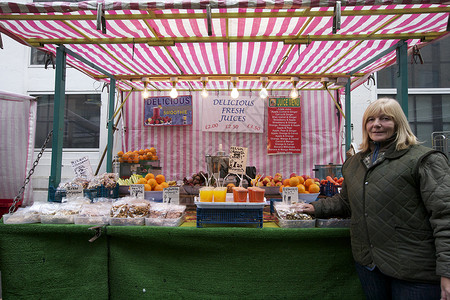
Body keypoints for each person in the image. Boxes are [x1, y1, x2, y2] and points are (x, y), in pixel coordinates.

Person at [300, 98, 450, 300]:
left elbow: (445, 217)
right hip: (370, 265)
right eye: (370, 119)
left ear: (399, 123)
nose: (376, 124)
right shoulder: (355, 163)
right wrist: (313, 207)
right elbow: (345, 201)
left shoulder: (425, 160)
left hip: (414, 271)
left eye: (385, 118)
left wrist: (447, 272)